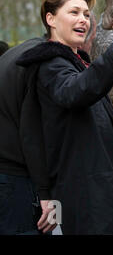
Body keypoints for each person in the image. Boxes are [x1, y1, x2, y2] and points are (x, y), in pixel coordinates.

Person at [16, 0, 113, 235]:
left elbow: (86, 125)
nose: (83, 20)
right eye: (74, 12)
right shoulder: (49, 64)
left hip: (112, 194)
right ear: (51, 19)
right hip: (91, 200)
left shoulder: (80, 66)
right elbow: (75, 93)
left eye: (87, 15)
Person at [0, 39, 55, 234]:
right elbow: (33, 136)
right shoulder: (43, 61)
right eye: (74, 12)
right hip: (20, 182)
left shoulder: (16, 54)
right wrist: (46, 193)